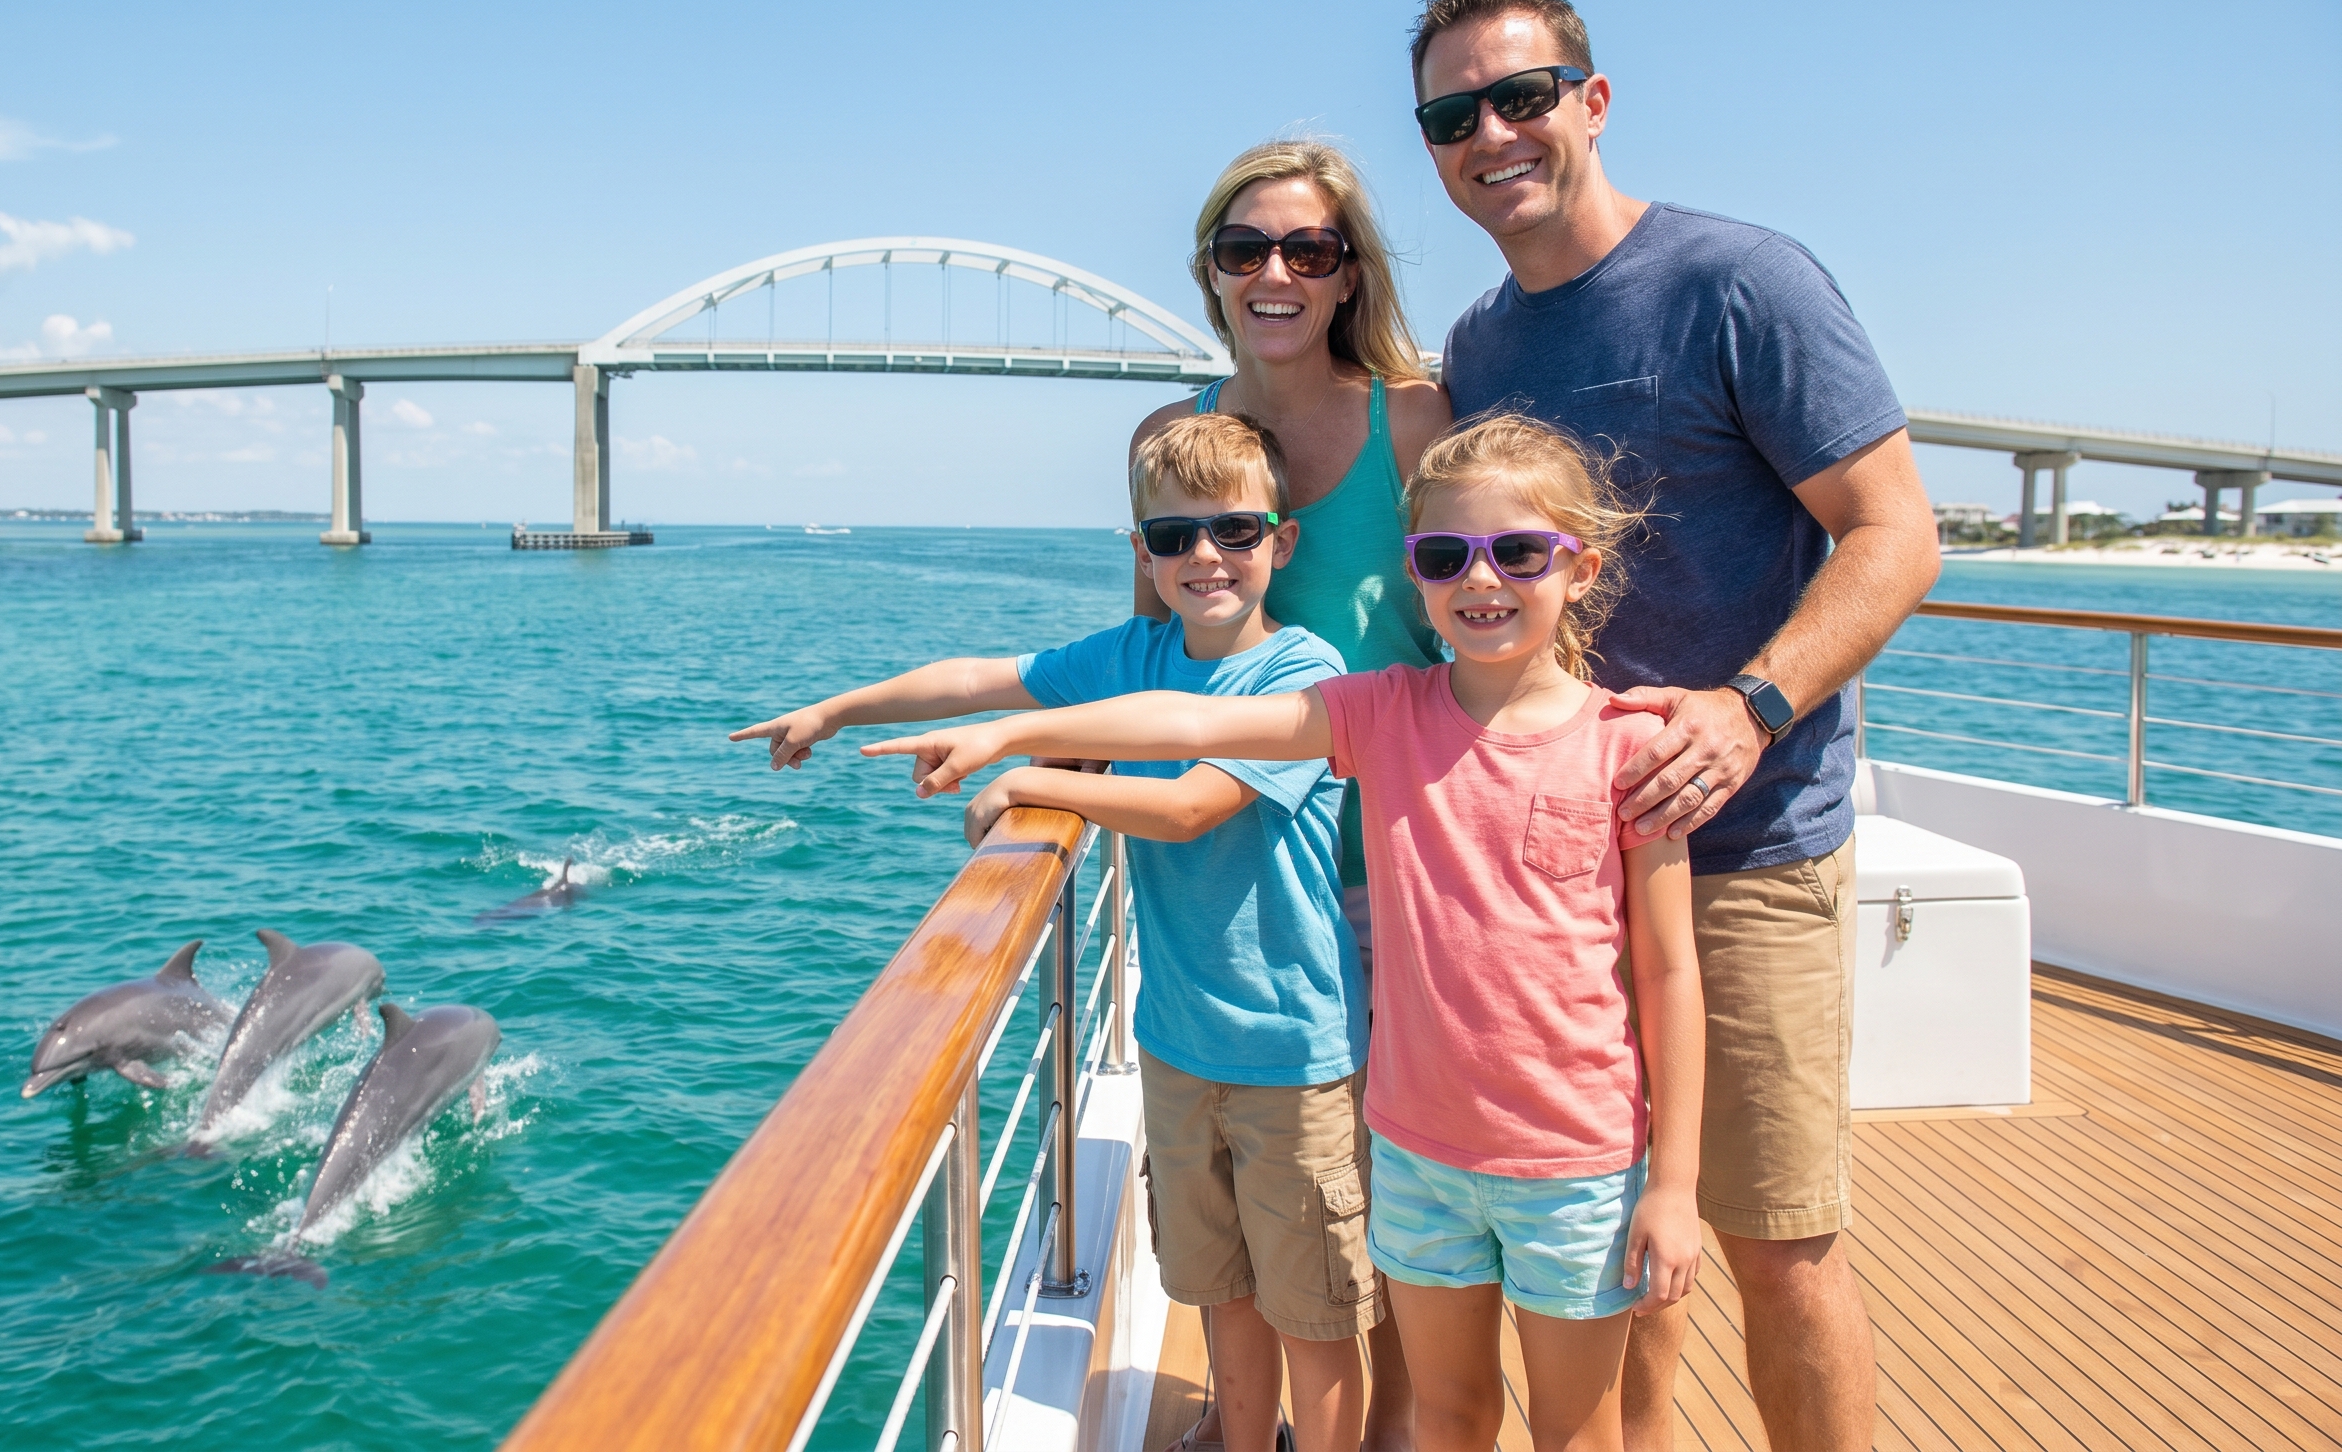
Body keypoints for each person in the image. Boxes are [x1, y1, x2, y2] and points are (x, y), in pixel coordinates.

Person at [865, 415, 1708, 1452]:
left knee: (1578, 1431)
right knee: (1450, 1413)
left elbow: (1669, 973)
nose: (1480, 580)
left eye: (1518, 552)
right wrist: (1012, 730)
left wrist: (1673, 1185)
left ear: (1579, 568)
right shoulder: (1378, 712)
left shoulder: (1632, 749)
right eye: (1445, 556)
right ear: (1414, 573)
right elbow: (1185, 722)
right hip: (1416, 1148)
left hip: (1575, 1162)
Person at [1408, 0, 1942, 1450]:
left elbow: (1897, 532)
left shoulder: (1741, 284)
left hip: (1748, 846)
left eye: (1521, 96)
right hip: (1559, 875)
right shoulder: (1481, 345)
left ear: (1592, 98)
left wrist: (1751, 706)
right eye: (1453, 115)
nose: (1490, 134)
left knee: (1778, 1247)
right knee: (1623, 1241)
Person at [732, 415, 1376, 1452]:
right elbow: (978, 677)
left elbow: (1188, 807)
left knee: (1316, 1317)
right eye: (1173, 538)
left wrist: (1027, 777)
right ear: (1143, 556)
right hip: (1175, 1041)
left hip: (1289, 1058)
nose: (1204, 557)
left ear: (1280, 542)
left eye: (1234, 531)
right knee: (1220, 1292)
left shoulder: (1302, 673)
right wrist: (836, 709)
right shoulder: (1138, 653)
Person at [1134, 136, 1447, 1452]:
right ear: (1210, 273)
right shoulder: (1183, 441)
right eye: (1243, 247)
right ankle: (1254, 1422)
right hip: (1248, 886)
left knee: (1371, 1194)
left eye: (1307, 249)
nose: (1274, 271)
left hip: (1396, 872)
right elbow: (1147, 652)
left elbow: (1478, 624)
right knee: (1263, 1186)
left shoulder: (1414, 418)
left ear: (1347, 274)